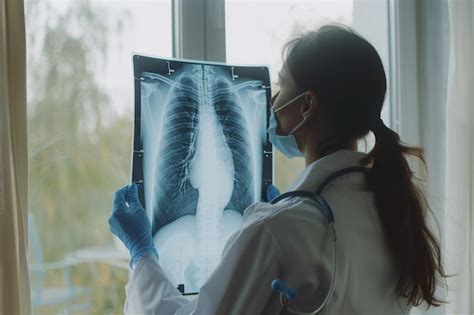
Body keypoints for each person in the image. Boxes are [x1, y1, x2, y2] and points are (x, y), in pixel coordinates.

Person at [108, 24, 447, 314]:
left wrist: (142, 255)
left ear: (306, 106)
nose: (273, 102)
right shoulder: (388, 204)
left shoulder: (280, 228)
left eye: (282, 86)